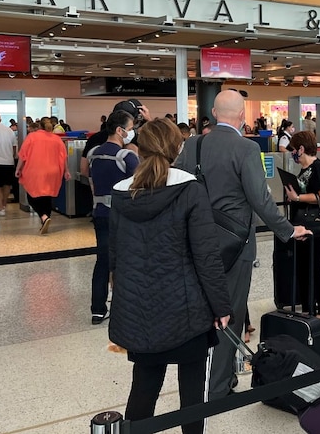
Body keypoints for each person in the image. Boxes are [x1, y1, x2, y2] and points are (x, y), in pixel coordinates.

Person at [175, 89, 310, 399]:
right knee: (229, 312)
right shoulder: (246, 148)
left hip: (195, 242)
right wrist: (287, 230)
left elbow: (177, 189)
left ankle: (197, 380)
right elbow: (260, 199)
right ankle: (218, 387)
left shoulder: (192, 145)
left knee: (200, 312)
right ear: (242, 117)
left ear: (211, 111)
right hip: (234, 245)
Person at [108, 118, 232, 434]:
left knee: (144, 385)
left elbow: (115, 257)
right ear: (177, 149)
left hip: (140, 309)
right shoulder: (190, 189)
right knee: (192, 392)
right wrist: (221, 306)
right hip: (186, 310)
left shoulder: (122, 194)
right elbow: (206, 257)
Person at [88, 110, 140, 325]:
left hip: (100, 213)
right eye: (130, 129)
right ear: (120, 130)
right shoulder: (127, 157)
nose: (132, 133)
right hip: (123, 216)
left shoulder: (94, 154)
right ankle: (127, 307)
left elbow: (92, 183)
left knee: (103, 261)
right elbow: (140, 185)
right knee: (126, 262)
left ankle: (98, 309)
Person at [284, 130, 320, 321]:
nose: (292, 153)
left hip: (314, 225)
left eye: (294, 150)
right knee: (304, 266)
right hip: (302, 224)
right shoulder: (305, 170)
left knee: (315, 266)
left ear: (301, 149)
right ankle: (307, 305)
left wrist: (297, 197)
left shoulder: (318, 168)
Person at [15, 117, 69, 235]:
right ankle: (45, 221)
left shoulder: (32, 137)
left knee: (32, 196)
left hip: (36, 170)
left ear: (39, 126)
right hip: (53, 171)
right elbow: (63, 156)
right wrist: (66, 170)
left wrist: (18, 169)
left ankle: (43, 216)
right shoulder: (56, 139)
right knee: (47, 197)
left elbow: (23, 155)